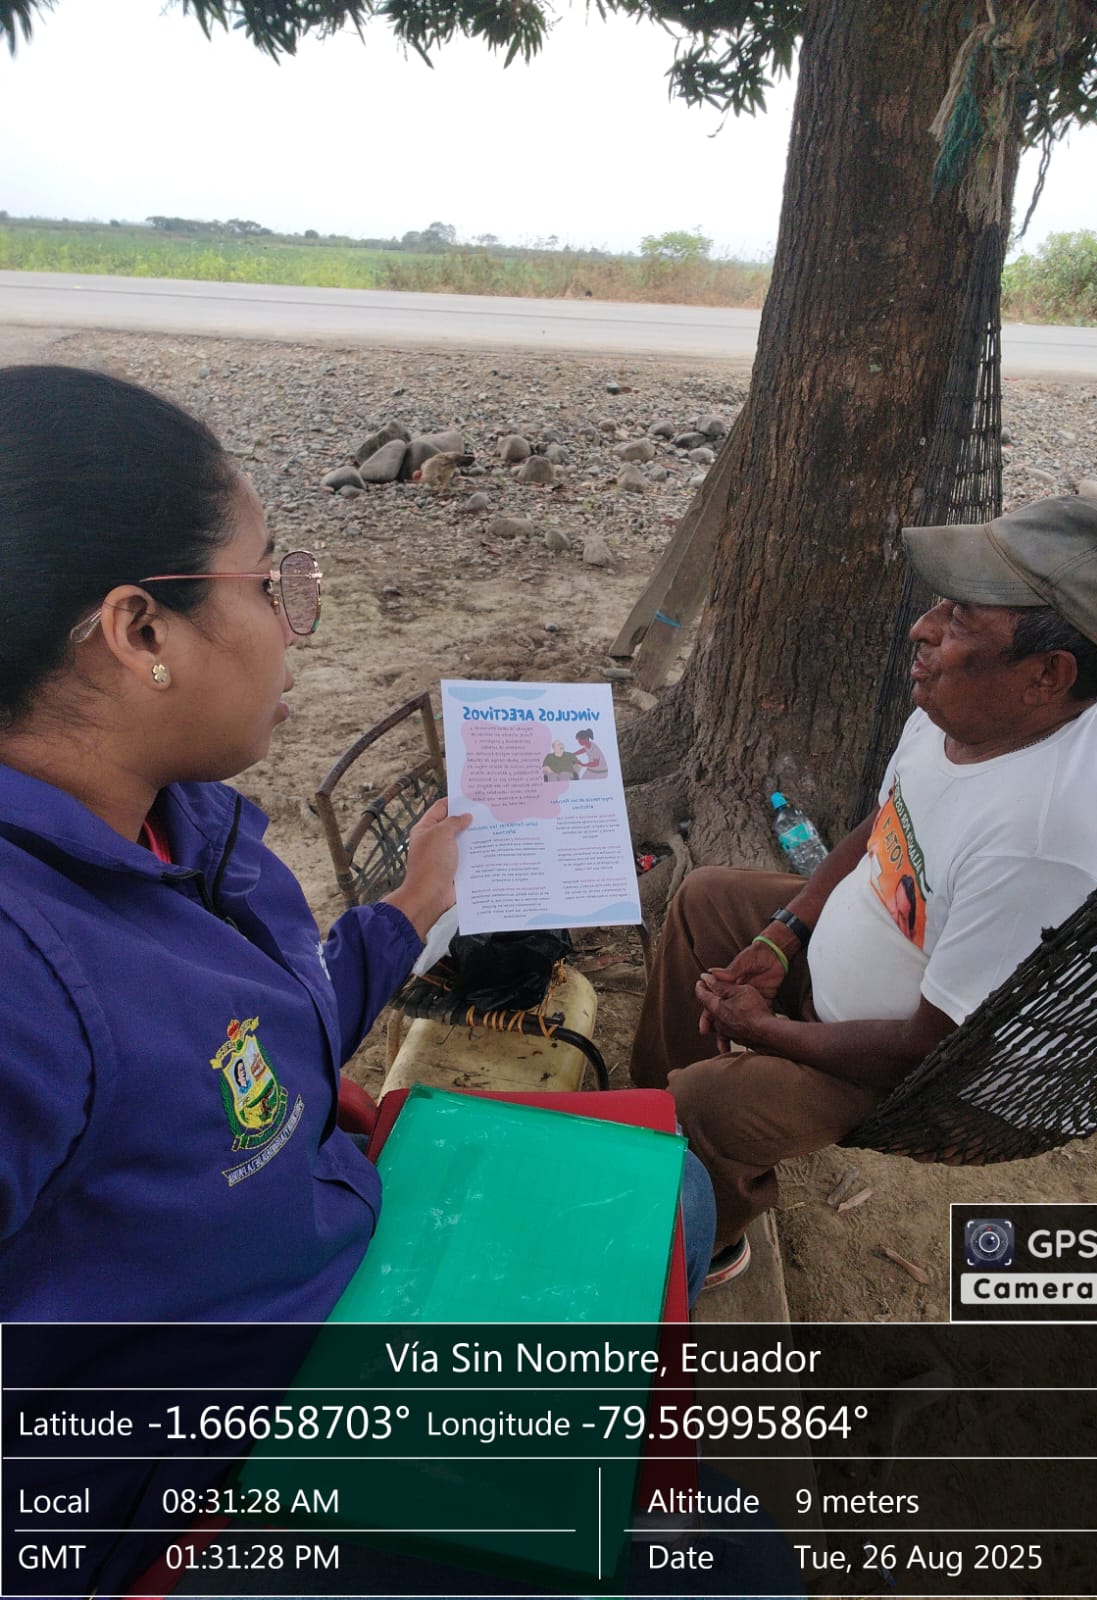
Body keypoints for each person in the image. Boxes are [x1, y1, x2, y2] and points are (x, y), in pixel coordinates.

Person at [0, 367, 716, 1593]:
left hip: (326, 1235)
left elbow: (251, 1056)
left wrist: (406, 911)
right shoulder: (23, 968)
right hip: (202, 1474)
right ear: (139, 632)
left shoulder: (173, 821)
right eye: (268, 581)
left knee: (679, 1191)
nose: (295, 620)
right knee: (719, 1566)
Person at [631, 495, 1097, 1285]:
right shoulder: (970, 707)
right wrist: (785, 933)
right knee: (706, 899)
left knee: (710, 1105)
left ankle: (706, 1237)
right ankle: (646, 1129)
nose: (924, 629)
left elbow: (931, 1049)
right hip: (870, 967)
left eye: (961, 618)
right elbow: (886, 820)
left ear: (1047, 675)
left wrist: (767, 1031)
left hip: (913, 1073)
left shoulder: (1050, 840)